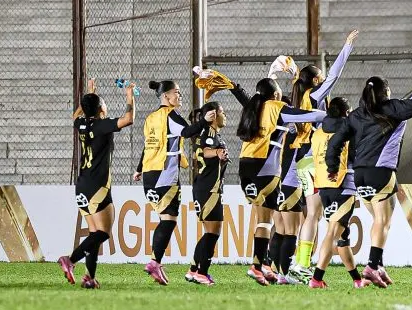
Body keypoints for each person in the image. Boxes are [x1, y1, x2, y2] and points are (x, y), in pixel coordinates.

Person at [326, 61, 412, 288]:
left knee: (378, 219)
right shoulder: (392, 109)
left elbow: (335, 142)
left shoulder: (355, 115)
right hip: (381, 172)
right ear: (385, 92)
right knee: (383, 221)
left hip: (359, 175)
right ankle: (372, 265)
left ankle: (377, 265)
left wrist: (332, 167)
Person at [280, 29, 358, 282]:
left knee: (312, 214)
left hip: (301, 158)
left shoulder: (299, 96)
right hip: (315, 158)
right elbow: (334, 75)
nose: (324, 81)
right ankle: (303, 264)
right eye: (320, 78)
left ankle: (301, 264)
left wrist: (293, 71)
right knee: (318, 214)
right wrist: (346, 47)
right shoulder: (314, 95)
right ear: (315, 81)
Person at [233, 77, 326, 285]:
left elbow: (245, 98)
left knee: (262, 221)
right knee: (269, 222)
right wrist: (331, 116)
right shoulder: (277, 107)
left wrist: (235, 87)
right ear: (275, 94)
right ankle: (261, 267)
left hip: (245, 167)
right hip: (266, 169)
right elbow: (309, 115)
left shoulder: (253, 107)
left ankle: (263, 265)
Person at [134, 80, 216, 286]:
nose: (179, 96)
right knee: (168, 219)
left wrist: (138, 169)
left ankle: (155, 261)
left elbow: (148, 145)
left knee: (165, 218)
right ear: (166, 96)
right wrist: (205, 121)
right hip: (165, 173)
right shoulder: (171, 115)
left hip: (149, 173)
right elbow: (187, 132)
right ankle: (154, 262)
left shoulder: (150, 118)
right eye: (176, 93)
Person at [58, 79, 135, 288]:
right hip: (98, 186)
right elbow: (128, 119)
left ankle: (89, 278)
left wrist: (90, 94)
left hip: (82, 185)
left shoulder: (81, 124)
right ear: (101, 108)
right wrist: (130, 98)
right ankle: (70, 260)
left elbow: (76, 116)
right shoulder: (102, 125)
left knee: (94, 234)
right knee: (103, 233)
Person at [308, 96, 371, 289]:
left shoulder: (317, 133)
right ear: (346, 112)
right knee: (333, 233)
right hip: (343, 184)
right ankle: (316, 278)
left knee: (342, 237)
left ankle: (357, 280)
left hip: (323, 187)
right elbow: (356, 155)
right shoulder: (348, 130)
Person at [185, 100, 228, 286]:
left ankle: (193, 270)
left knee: (210, 232)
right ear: (214, 115)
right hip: (209, 189)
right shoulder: (209, 132)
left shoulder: (207, 132)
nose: (225, 115)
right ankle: (202, 273)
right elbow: (205, 151)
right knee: (213, 232)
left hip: (205, 187)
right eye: (222, 112)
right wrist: (217, 152)